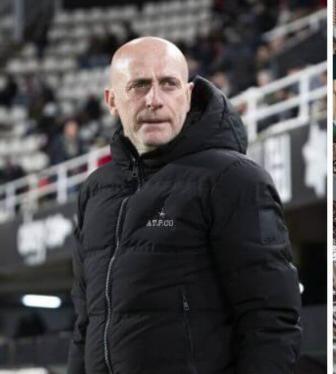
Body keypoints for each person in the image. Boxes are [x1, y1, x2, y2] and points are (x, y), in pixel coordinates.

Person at [68, 37, 302, 374]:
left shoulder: (233, 179)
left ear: (188, 95)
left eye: (168, 84)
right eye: (138, 85)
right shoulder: (95, 190)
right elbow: (84, 324)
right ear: (112, 100)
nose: (154, 100)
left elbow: (270, 322)